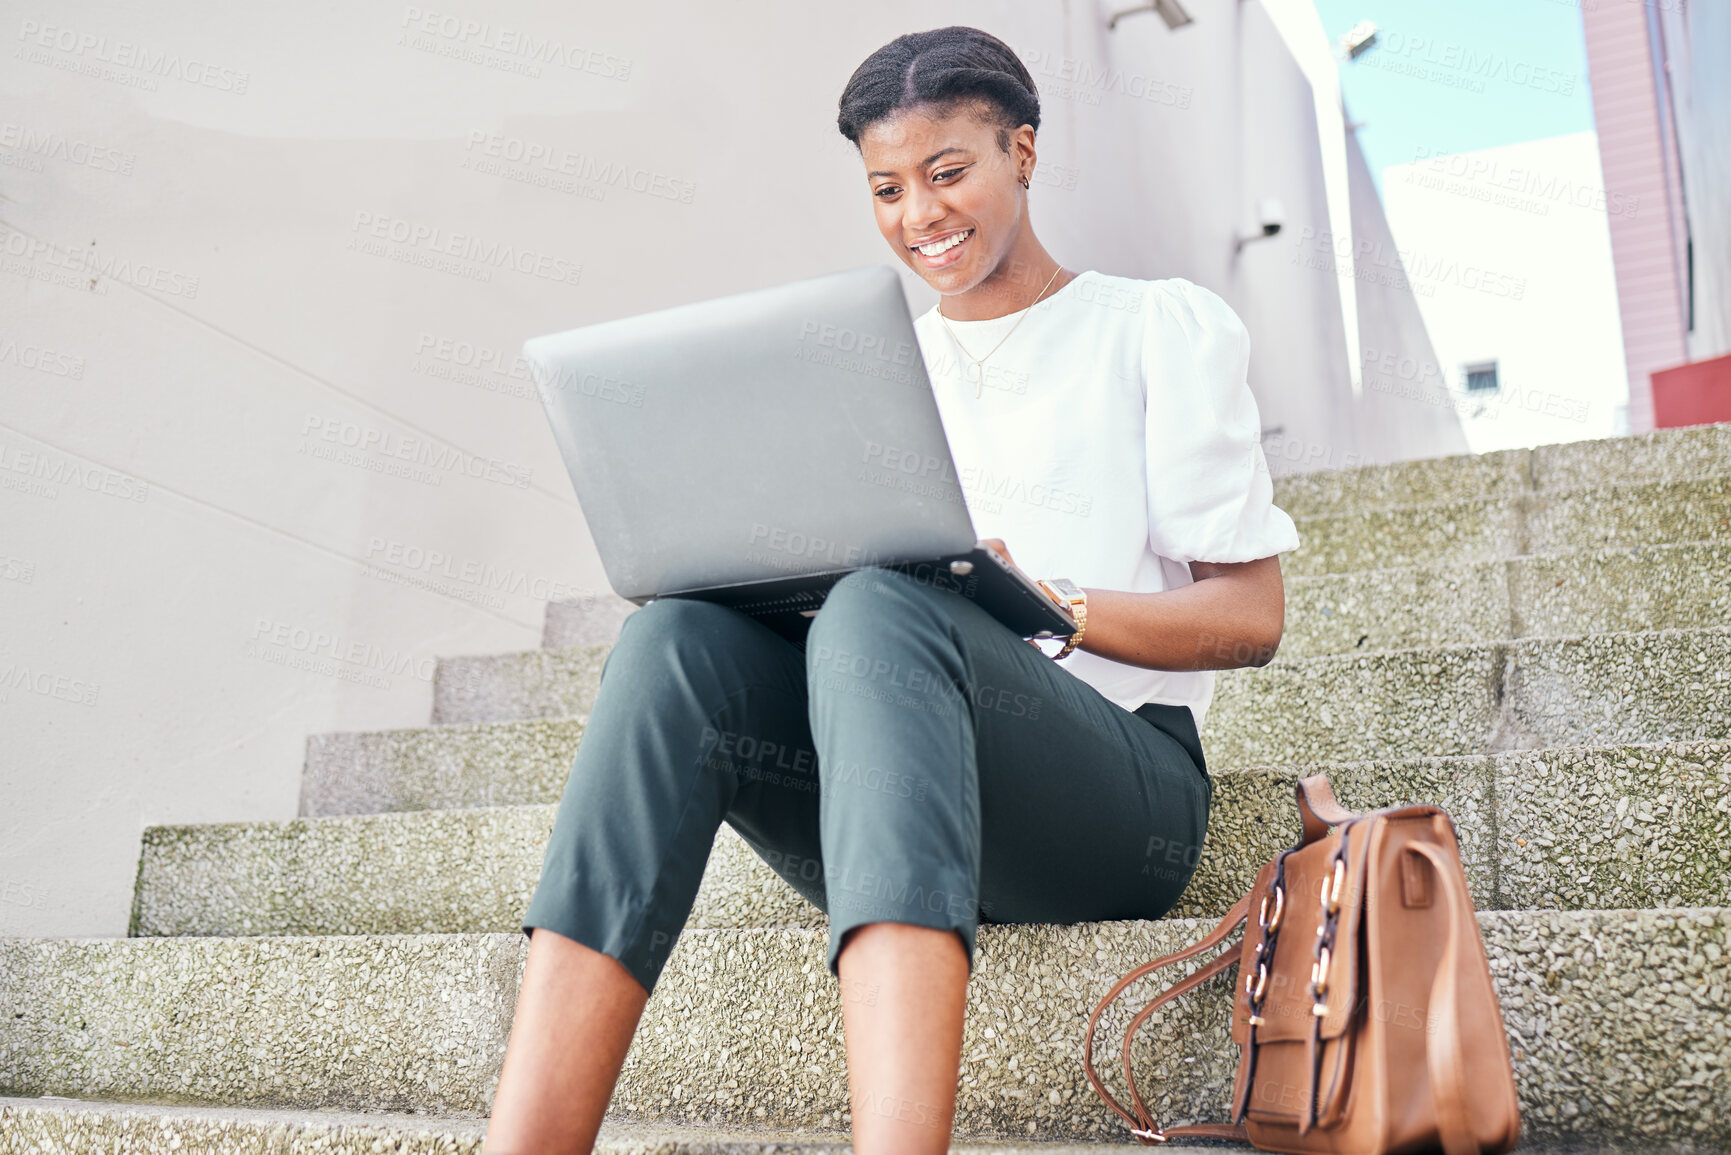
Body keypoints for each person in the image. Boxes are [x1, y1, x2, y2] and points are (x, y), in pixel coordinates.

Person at [484, 24, 1298, 1155]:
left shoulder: (1153, 329)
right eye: (887, 189)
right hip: (892, 795)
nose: (921, 214)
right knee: (675, 640)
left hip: (1115, 801)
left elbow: (1250, 618)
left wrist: (1048, 607)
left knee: (890, 605)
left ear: (1022, 151)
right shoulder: (868, 368)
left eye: (948, 172)